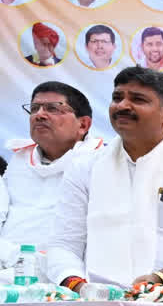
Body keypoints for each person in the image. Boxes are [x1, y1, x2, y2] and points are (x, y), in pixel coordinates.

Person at [47, 67, 163, 304]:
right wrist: (78, 285)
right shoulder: (85, 167)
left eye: (138, 99)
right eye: (117, 97)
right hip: (93, 287)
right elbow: (64, 244)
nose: (122, 106)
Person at [0, 82, 103, 283]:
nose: (39, 115)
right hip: (7, 267)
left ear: (83, 125)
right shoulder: (19, 160)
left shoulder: (101, 163)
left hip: (68, 278)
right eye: (34, 108)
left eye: (53, 108)